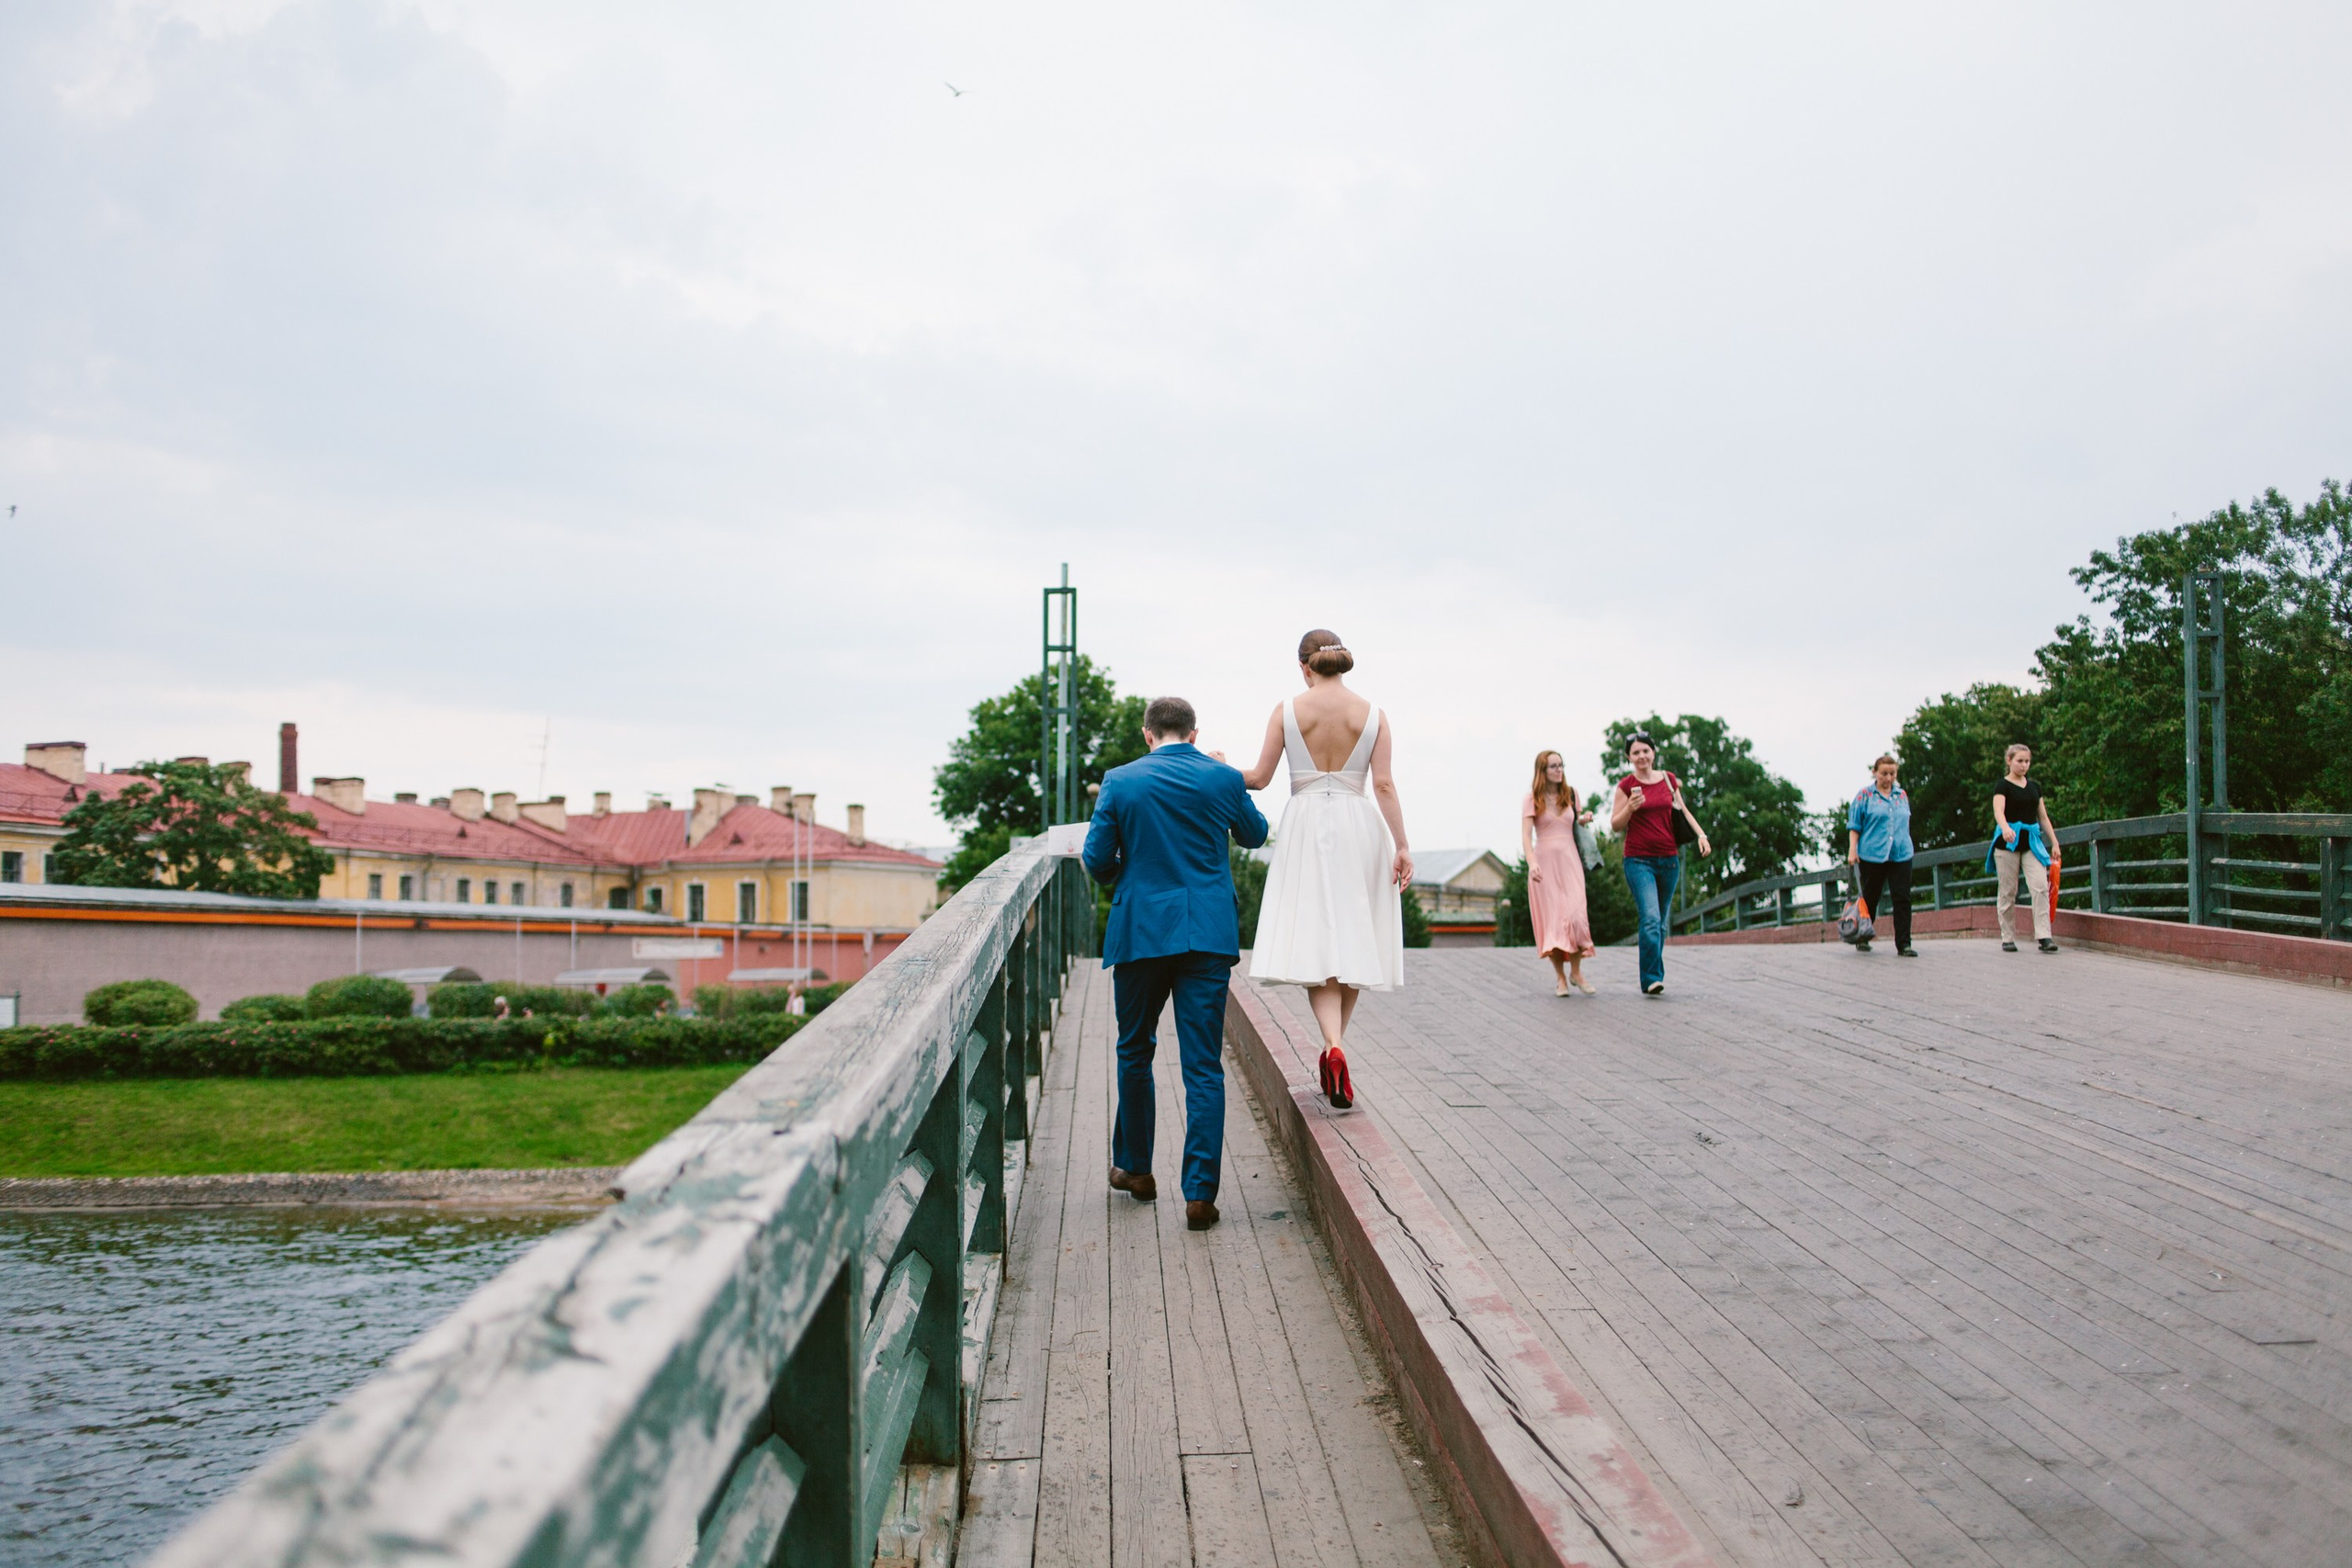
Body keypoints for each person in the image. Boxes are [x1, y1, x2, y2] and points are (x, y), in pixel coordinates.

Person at [1083, 694, 1271, 1231]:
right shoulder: (1222, 777)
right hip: (1207, 934)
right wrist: (1220, 771)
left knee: (1135, 1049)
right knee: (1203, 1065)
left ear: (1148, 734)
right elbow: (1255, 836)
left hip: (1141, 931)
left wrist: (1132, 867)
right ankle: (1199, 1196)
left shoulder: (1121, 781)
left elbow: (1097, 862)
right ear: (1193, 733)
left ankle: (1137, 1170)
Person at [1240, 629, 1411, 1111]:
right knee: (1355, 937)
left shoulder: (1287, 711)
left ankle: (1333, 1046)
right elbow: (1384, 785)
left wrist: (1214, 769)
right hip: (1360, 826)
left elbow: (1258, 778)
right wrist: (1402, 845)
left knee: (1319, 940)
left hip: (1307, 826)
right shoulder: (1373, 714)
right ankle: (1335, 1048)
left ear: (1304, 666)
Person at [1610, 732, 1710, 997]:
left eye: (1646, 751)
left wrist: (1701, 835)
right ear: (1629, 758)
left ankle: (1653, 974)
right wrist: (1630, 807)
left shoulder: (1668, 779)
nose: (1642, 756)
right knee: (1651, 918)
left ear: (1653, 753)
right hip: (1638, 860)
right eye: (1636, 752)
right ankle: (1652, 978)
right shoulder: (1625, 785)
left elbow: (1684, 810)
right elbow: (1615, 825)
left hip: (1669, 860)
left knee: (1661, 922)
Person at [1521, 750, 1596, 995]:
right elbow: (1525, 837)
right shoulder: (1532, 798)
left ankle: (1576, 972)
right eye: (1553, 766)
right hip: (1544, 865)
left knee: (1576, 917)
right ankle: (1561, 978)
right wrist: (1532, 863)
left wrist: (1583, 819)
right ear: (1542, 771)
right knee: (1554, 923)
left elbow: (1574, 824)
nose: (1559, 770)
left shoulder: (1571, 794)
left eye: (1561, 765)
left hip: (1570, 861)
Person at [1991, 742, 2061, 953]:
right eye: (2019, 761)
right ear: (2009, 761)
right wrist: (2004, 828)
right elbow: (1998, 811)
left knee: (2039, 886)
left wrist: (2054, 842)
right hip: (2008, 843)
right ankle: (2008, 937)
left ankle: (2044, 935)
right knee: (2008, 891)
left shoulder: (2034, 787)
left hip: (2031, 842)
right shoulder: (2002, 786)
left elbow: (2043, 817)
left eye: (2027, 761)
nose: (2023, 765)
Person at [1846, 754, 1917, 957]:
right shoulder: (1864, 796)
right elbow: (1854, 824)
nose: (1888, 777)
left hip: (1900, 853)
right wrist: (1853, 849)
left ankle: (1904, 943)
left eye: (1892, 773)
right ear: (1875, 773)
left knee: (1902, 897)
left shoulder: (1901, 795)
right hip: (1872, 853)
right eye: (1884, 773)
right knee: (1871, 897)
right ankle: (1863, 936)